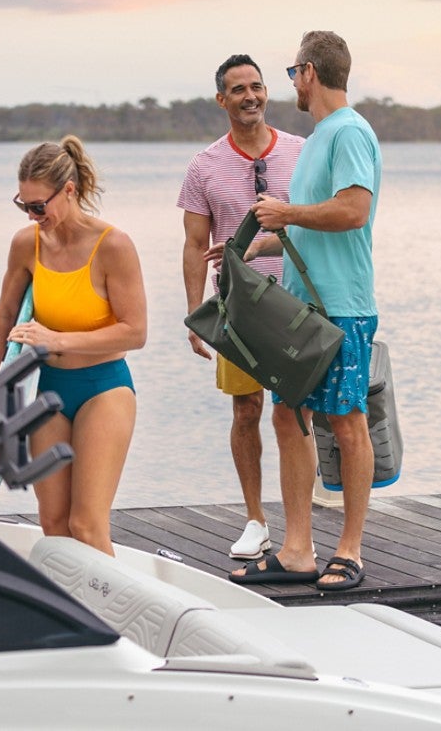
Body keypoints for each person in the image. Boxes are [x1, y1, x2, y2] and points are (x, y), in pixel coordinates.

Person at [230, 31, 382, 591]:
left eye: (294, 72)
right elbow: (305, 226)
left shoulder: (349, 133)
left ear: (310, 73)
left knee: (346, 421)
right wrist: (250, 248)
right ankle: (296, 550)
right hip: (299, 306)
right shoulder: (318, 138)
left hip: (341, 306)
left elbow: (352, 211)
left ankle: (350, 550)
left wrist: (285, 211)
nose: (291, 82)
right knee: (288, 416)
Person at [0, 135, 147, 556]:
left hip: (105, 388)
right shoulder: (27, 244)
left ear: (70, 191)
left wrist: (57, 339)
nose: (32, 214)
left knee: (87, 524)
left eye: (39, 205)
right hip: (51, 390)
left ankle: (112, 621)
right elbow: (5, 318)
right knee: (54, 523)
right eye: (23, 205)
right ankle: (74, 618)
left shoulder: (113, 245)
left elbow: (135, 331)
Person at [178, 55, 304, 560]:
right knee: (246, 408)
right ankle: (256, 519)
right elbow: (193, 244)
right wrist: (196, 315)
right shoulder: (204, 165)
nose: (250, 96)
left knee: (294, 413)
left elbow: (320, 222)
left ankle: (300, 526)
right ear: (222, 100)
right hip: (237, 308)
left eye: (256, 86)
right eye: (238, 89)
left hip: (295, 302)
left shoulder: (301, 151)